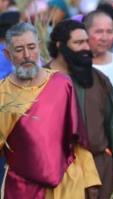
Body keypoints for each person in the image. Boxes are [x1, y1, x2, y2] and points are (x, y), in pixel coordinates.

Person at [0, 22, 101, 198]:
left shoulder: (62, 83)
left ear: (38, 47)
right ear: (8, 54)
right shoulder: (3, 94)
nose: (27, 55)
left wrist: (90, 179)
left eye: (31, 47)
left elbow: (77, 139)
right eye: (19, 50)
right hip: (22, 187)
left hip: (68, 182)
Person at [46, 19, 113, 198]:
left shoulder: (99, 80)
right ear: (60, 45)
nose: (85, 47)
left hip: (100, 170)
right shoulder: (40, 81)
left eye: (86, 41)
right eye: (78, 43)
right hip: (56, 171)